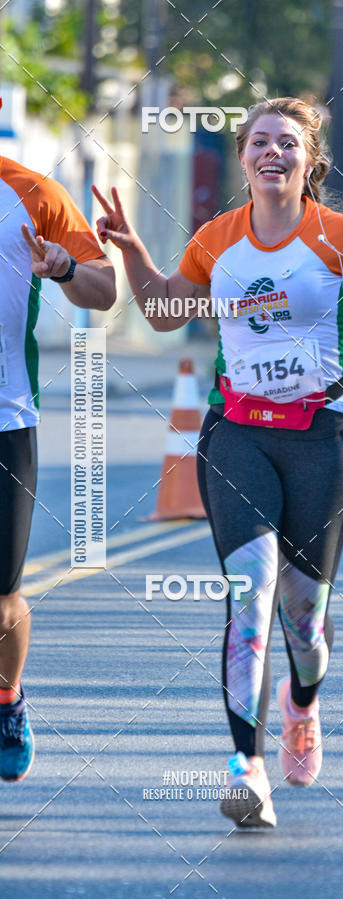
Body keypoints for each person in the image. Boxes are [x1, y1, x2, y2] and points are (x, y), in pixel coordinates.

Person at [92, 96, 343, 829]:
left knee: (303, 620)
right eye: (258, 141)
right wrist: (131, 251)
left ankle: (304, 701)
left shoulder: (341, 234)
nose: (272, 153)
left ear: (308, 160)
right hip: (238, 434)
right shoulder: (219, 238)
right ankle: (246, 767)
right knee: (249, 592)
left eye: (286, 143)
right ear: (243, 158)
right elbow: (165, 312)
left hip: (324, 437)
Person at [0, 148, 116, 782]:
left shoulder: (32, 192)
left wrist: (65, 267)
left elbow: (105, 289)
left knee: (1, 601)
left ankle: (6, 699)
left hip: (5, 421)